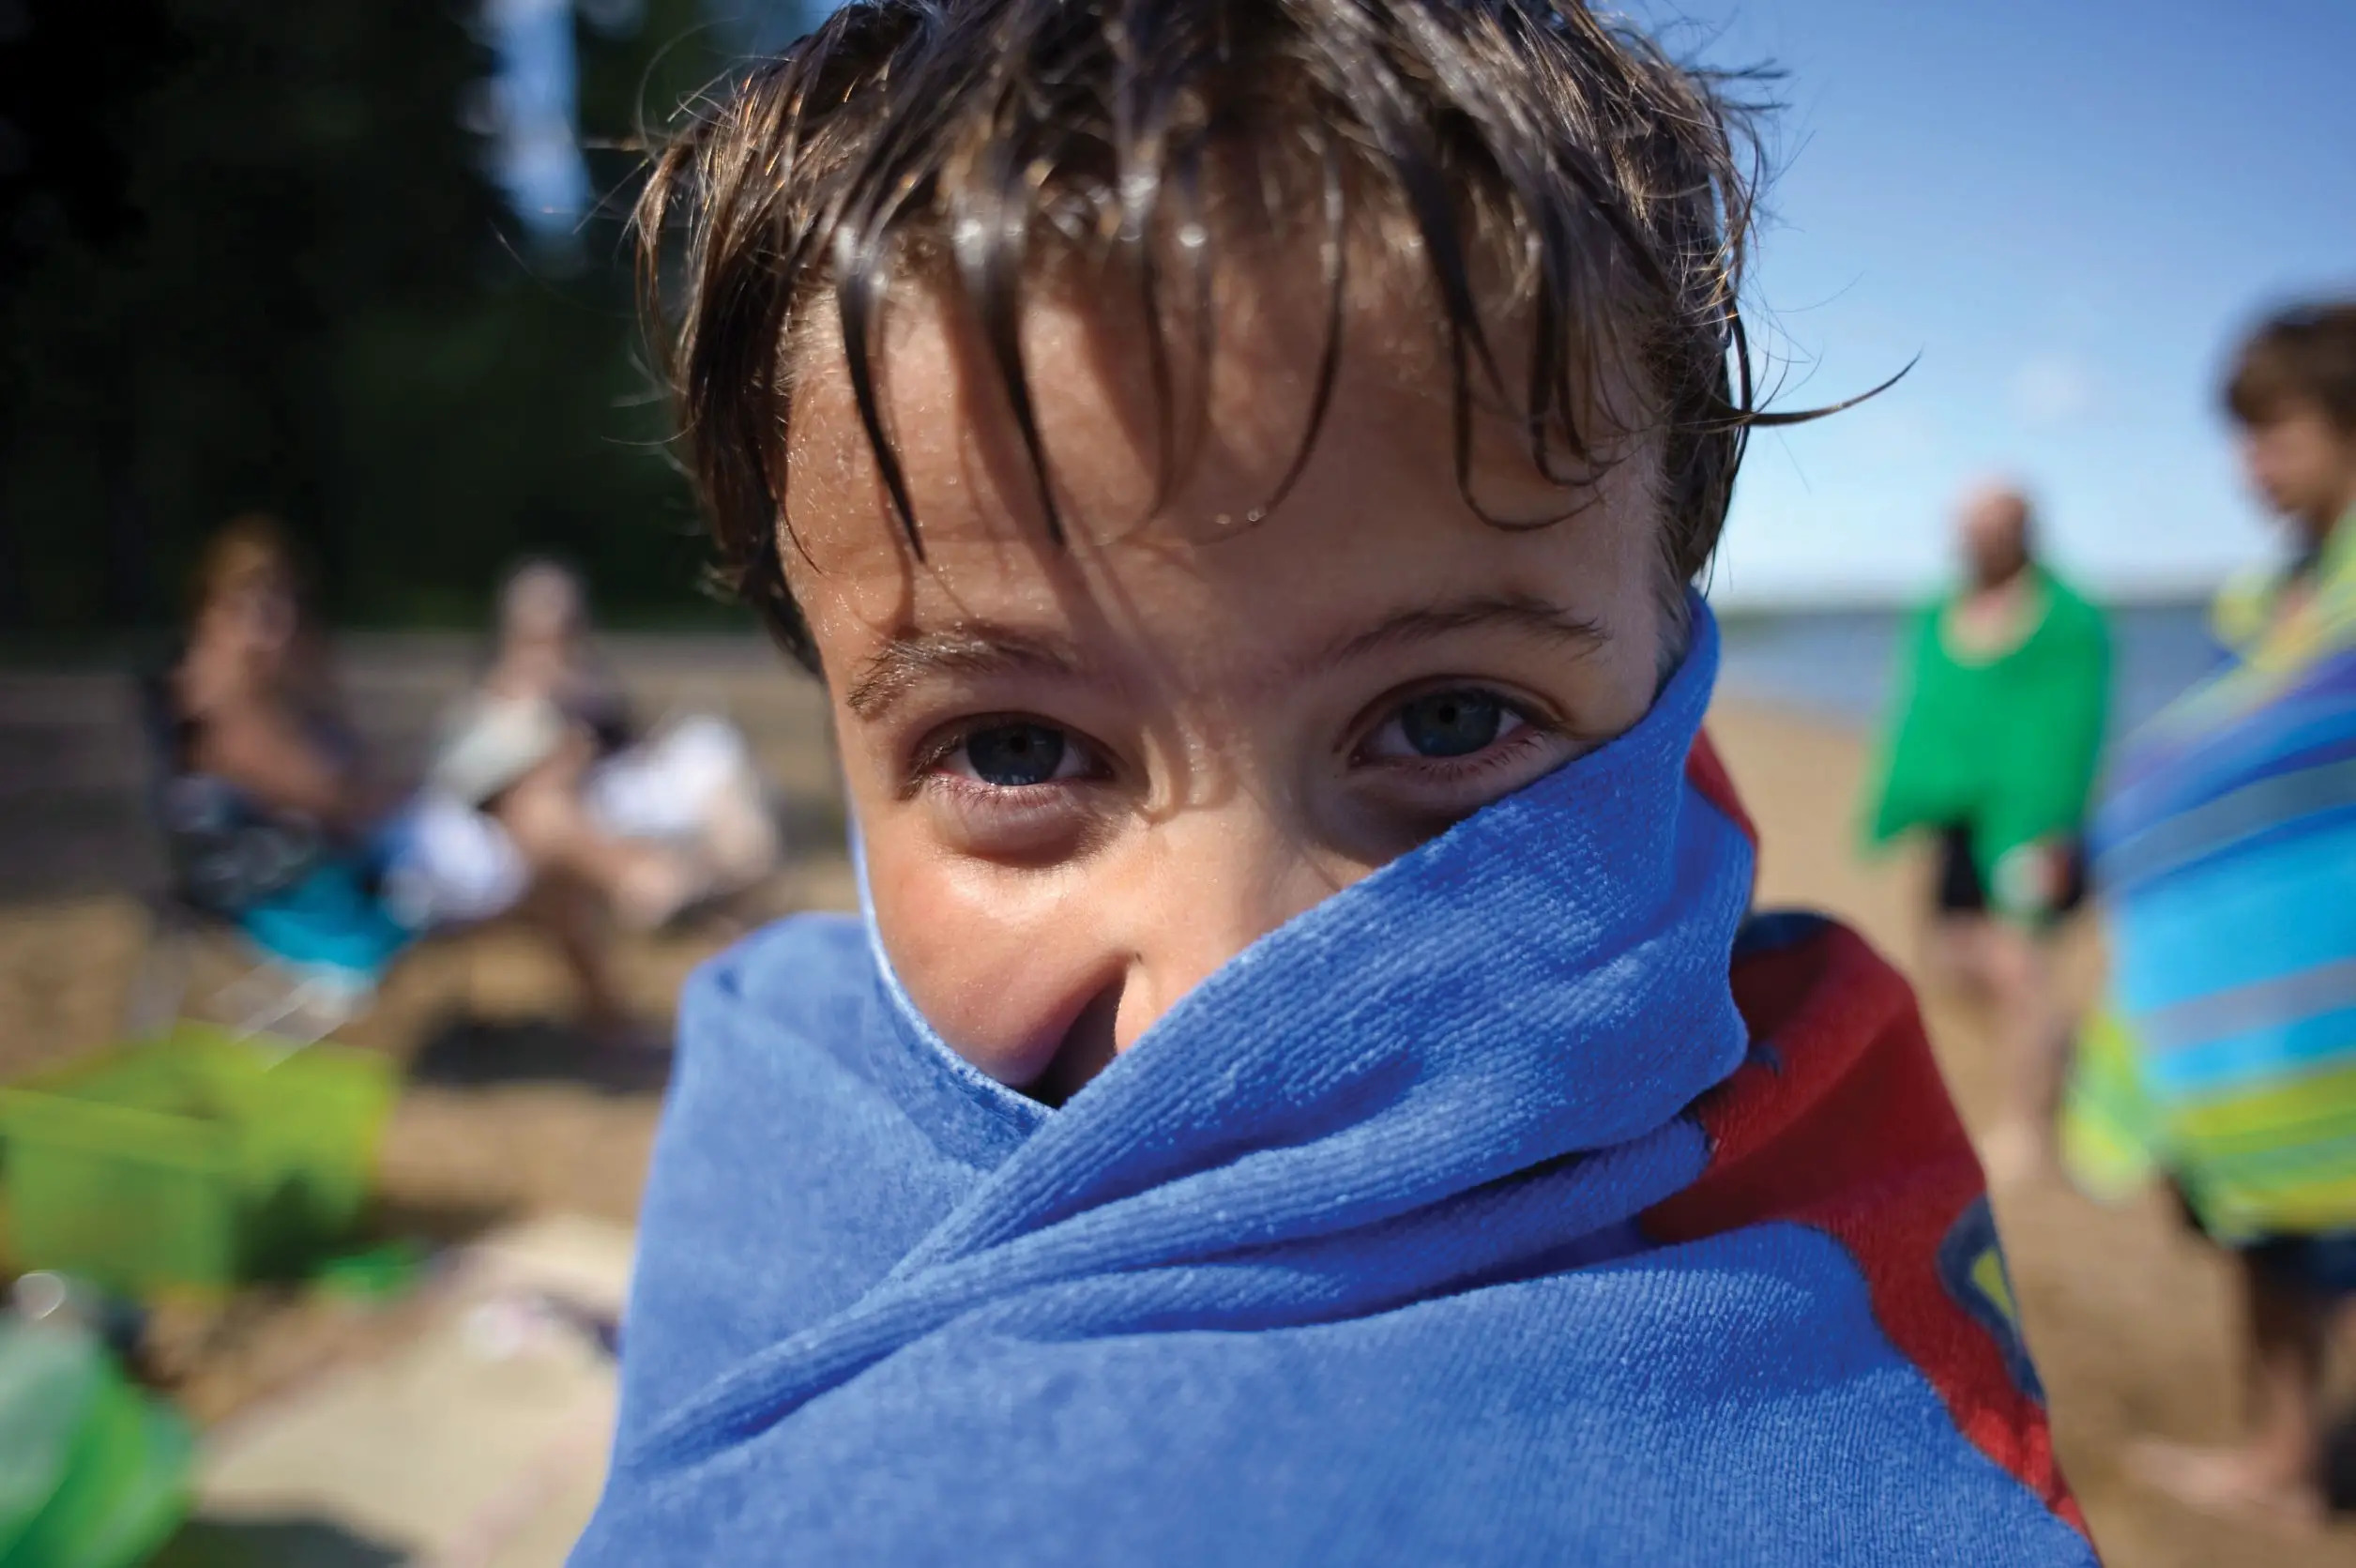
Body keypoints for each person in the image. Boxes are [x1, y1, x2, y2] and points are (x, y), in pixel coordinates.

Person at [574, 4, 2093, 1562]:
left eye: (1443, 721)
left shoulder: (1814, 1143)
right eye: (1014, 750)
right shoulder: (779, 1143)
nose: (1220, 997)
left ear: (1668, 663)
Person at [2062, 302, 2356, 1533]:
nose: (2248, 464)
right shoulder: (2279, 597)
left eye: (2269, 430)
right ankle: (2280, 1452)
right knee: (2267, 1231)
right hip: (2282, 1002)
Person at [162, 518, 694, 1018]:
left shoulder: (264, 697)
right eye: (248, 606)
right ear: (207, 609)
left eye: (282, 604)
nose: (273, 625)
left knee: (537, 813)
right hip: (350, 886)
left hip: (370, 860)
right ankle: (640, 893)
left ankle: (634, 913)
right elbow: (338, 801)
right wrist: (412, 787)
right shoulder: (229, 709)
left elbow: (348, 786)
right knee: (540, 824)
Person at [1862, 484, 2110, 1183]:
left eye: (1992, 526)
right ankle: (2057, 1048)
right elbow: (1921, 704)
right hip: (1955, 818)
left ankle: (2024, 1126)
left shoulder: (2066, 617)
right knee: (1948, 961)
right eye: (1967, 526)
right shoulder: (1941, 611)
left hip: (2034, 822)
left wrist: (2049, 820)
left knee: (2018, 967)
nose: (1976, 539)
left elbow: (2073, 722)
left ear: (2025, 530)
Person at [433, 558, 780, 901]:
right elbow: (477, 791)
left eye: (565, 634)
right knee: (542, 812)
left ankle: (741, 871)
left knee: (710, 741)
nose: (553, 651)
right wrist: (557, 758)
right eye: (539, 639)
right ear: (512, 636)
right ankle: (654, 883)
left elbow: (631, 745)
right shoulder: (488, 708)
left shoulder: (589, 690)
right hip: (552, 820)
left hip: (613, 793)